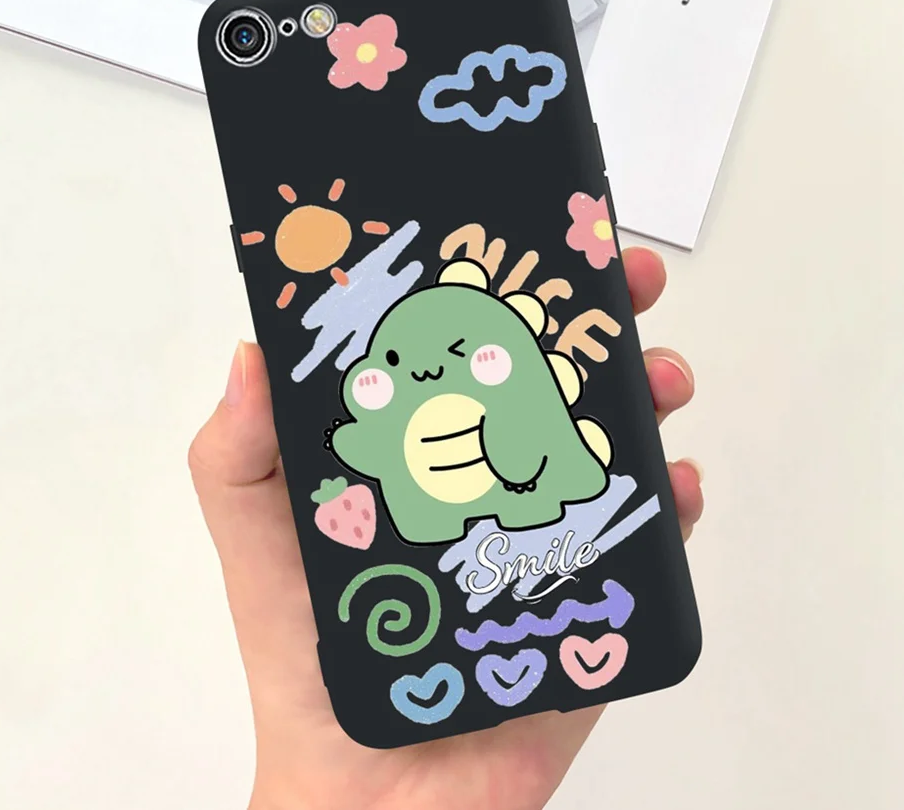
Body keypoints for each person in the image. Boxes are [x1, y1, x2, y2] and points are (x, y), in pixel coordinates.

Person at [188, 247, 705, 810]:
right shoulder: (397, 399)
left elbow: (540, 438)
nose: (431, 376)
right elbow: (374, 445)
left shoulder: (514, 386)